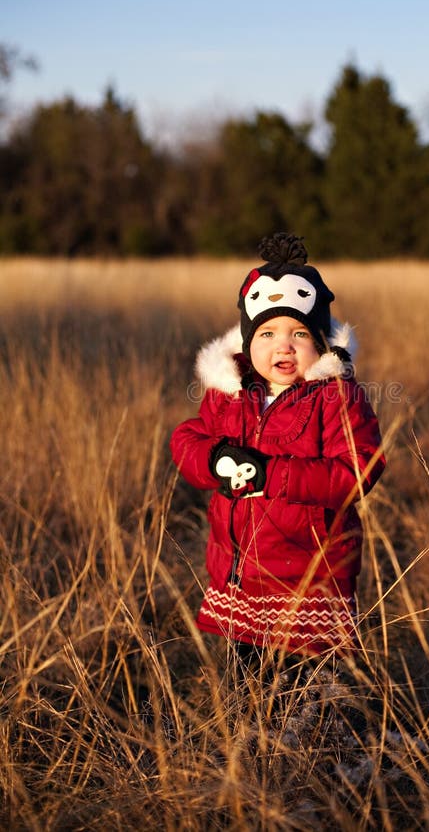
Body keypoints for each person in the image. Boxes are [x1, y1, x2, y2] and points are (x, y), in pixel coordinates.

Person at [170, 233, 385, 675]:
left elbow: (356, 471)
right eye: (267, 333)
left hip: (310, 580)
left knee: (306, 693)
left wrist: (271, 475)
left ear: (321, 343)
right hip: (241, 578)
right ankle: (250, 739)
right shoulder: (229, 394)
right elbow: (186, 440)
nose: (283, 346)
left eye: (299, 334)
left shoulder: (336, 397)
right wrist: (215, 459)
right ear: (247, 343)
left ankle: (328, 737)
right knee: (248, 683)